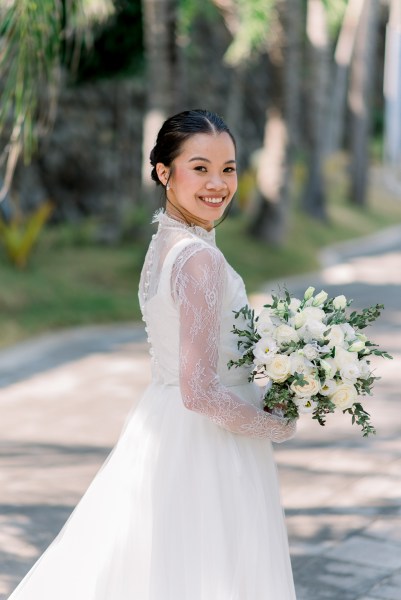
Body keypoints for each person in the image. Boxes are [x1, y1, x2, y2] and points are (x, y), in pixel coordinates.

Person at [8, 109, 297, 599]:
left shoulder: (167, 243)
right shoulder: (200, 259)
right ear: (165, 172)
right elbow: (201, 391)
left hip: (167, 426)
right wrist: (275, 425)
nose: (218, 184)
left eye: (228, 169)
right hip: (208, 444)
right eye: (200, 167)